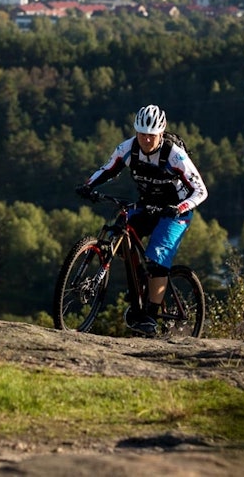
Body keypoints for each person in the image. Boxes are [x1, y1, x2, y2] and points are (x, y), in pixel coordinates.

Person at [75, 103, 209, 334]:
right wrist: (88, 186)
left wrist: (179, 208)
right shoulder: (128, 148)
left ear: (161, 132)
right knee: (120, 231)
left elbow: (201, 191)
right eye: (141, 134)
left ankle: (150, 315)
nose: (146, 140)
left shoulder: (175, 155)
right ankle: (139, 284)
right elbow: (107, 169)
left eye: (151, 135)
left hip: (176, 211)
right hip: (147, 204)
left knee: (157, 258)